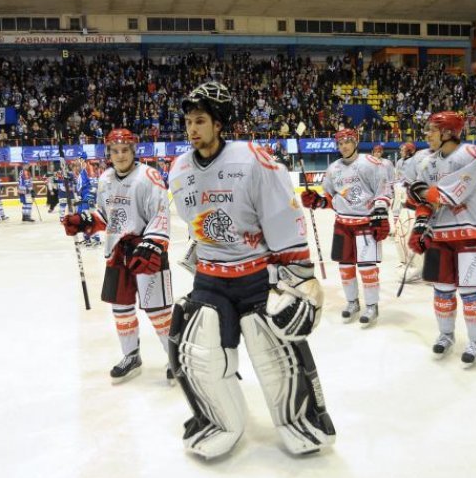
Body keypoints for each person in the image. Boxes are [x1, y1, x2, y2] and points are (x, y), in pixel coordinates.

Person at [168, 82, 334, 459]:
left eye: (200, 121)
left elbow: (280, 215)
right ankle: (219, 421)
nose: (192, 129)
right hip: (209, 276)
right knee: (201, 353)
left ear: (219, 123)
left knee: (274, 354)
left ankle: (298, 421)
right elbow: (193, 222)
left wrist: (300, 276)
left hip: (257, 276)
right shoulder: (178, 169)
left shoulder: (253, 160)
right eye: (188, 122)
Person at [62, 128, 174, 386]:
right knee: (121, 310)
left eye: (125, 150)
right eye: (115, 151)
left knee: (159, 312)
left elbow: (160, 214)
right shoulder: (105, 179)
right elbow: (105, 216)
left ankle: (175, 358)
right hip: (117, 253)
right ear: (108, 153)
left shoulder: (149, 176)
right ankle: (131, 356)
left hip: (146, 252)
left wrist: (153, 245)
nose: (120, 155)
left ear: (133, 151)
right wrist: (84, 221)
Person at [406, 111, 476, 366]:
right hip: (440, 233)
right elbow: (420, 200)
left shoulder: (471, 154)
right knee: (442, 291)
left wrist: (420, 193)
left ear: (447, 132)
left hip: (470, 231)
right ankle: (446, 335)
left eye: (432, 130)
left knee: (470, 292)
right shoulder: (426, 162)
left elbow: (448, 195)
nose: (427, 135)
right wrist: (421, 223)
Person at [302, 128, 392, 327]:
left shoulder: (371, 164)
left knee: (367, 268)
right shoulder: (333, 168)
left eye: (347, 142)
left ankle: (371, 305)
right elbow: (330, 198)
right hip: (342, 223)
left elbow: (384, 190)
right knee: (345, 268)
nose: (344, 146)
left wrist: (380, 213)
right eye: (340, 143)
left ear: (356, 142)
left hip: (365, 223)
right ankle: (352, 302)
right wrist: (317, 201)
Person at [393, 142, 428, 282]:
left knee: (418, 236)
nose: (401, 151)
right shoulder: (402, 161)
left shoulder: (418, 161)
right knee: (401, 235)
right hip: (407, 202)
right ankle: (408, 263)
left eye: (403, 149)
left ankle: (425, 267)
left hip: (417, 205)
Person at [73, 155, 100, 247]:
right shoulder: (81, 171)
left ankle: (96, 238)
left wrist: (90, 196)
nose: (76, 162)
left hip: (88, 195)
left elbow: (93, 184)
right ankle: (87, 238)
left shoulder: (88, 168)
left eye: (79, 160)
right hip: (83, 196)